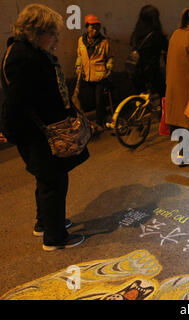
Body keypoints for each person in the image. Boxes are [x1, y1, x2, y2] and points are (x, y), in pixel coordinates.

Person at [1, 4, 88, 251]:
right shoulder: (24, 58)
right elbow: (15, 102)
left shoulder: (23, 52)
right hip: (40, 135)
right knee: (54, 183)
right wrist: (12, 133)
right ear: (35, 31)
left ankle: (45, 223)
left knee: (46, 180)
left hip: (37, 133)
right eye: (53, 33)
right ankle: (55, 237)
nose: (57, 39)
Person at [75, 14, 114, 134]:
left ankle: (99, 123)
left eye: (97, 27)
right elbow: (80, 56)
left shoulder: (104, 42)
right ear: (87, 27)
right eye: (92, 27)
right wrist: (78, 66)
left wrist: (109, 68)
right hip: (86, 75)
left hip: (100, 76)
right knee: (87, 100)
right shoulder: (81, 40)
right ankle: (89, 123)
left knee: (99, 101)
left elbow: (110, 57)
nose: (95, 30)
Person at [129, 5, 168, 97]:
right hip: (151, 73)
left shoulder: (136, 33)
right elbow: (167, 47)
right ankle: (164, 111)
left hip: (135, 71)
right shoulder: (155, 35)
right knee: (164, 93)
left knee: (141, 97)